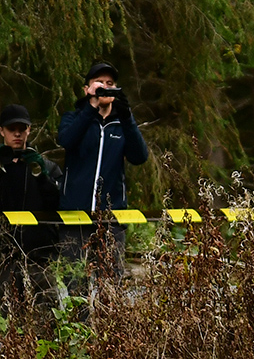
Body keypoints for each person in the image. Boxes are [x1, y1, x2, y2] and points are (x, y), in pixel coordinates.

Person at [57, 61, 149, 278]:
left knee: (111, 283)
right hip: (75, 216)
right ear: (86, 89)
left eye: (110, 83)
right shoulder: (73, 118)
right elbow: (66, 140)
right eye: (99, 82)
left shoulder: (122, 123)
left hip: (111, 217)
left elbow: (139, 157)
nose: (105, 87)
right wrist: (91, 106)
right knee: (75, 281)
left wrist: (127, 118)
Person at [0, 104, 61, 305]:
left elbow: (58, 203)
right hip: (3, 259)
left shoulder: (46, 167)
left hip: (39, 259)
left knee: (47, 315)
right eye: (11, 129)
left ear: (29, 130)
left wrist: (41, 174)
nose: (17, 134)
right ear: (1, 131)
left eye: (22, 128)